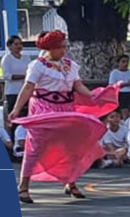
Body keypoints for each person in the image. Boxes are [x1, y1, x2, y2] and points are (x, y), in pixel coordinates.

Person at [8, 31, 119, 204]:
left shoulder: (70, 65)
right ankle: (23, 186)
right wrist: (16, 109)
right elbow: (28, 88)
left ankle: (70, 182)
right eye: (61, 46)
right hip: (43, 108)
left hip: (66, 108)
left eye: (64, 46)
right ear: (50, 48)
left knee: (71, 145)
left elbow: (78, 85)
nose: (64, 49)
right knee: (36, 146)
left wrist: (92, 96)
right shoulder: (38, 65)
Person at [2, 35, 29, 118]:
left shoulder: (26, 58)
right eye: (16, 44)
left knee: (26, 115)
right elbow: (6, 76)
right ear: (9, 46)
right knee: (14, 117)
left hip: (25, 91)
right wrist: (24, 77)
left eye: (20, 44)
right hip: (12, 92)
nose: (19, 46)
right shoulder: (7, 59)